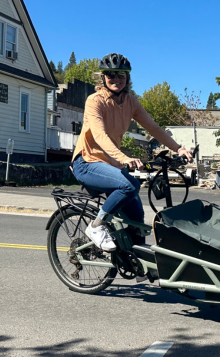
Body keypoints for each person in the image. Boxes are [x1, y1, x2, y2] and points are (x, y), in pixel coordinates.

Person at [71, 53, 193, 251]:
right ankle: (96, 227)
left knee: (137, 217)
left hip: (111, 164)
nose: (116, 79)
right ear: (103, 77)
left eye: (121, 75)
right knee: (130, 186)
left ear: (127, 78)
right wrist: (124, 158)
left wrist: (178, 148)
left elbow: (153, 128)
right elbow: (100, 136)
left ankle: (139, 265)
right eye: (110, 74)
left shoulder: (131, 102)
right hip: (87, 162)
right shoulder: (95, 101)